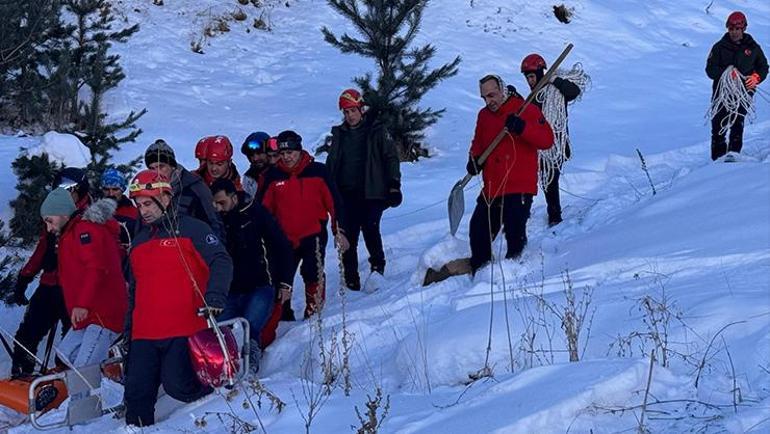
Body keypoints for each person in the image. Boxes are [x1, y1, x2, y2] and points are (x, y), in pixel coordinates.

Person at [123, 170, 232, 427]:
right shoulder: (138, 243)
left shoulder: (193, 229)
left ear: (166, 197)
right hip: (144, 334)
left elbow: (221, 260)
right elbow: (134, 293)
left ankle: (223, 389)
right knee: (136, 395)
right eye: (139, 205)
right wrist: (128, 331)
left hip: (183, 327)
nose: (143, 211)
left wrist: (215, 296)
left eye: (148, 203)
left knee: (178, 385)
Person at [467, 75, 554, 274]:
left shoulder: (525, 109)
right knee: (478, 230)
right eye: (484, 97)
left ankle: (515, 270)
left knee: (514, 231)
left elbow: (547, 140)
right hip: (492, 187)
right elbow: (478, 143)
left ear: (503, 90)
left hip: (519, 185)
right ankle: (481, 272)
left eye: (492, 95)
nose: (489, 101)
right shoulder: (484, 116)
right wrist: (474, 160)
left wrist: (522, 128)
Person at [9, 167, 91, 377]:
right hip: (49, 284)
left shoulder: (88, 220)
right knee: (28, 332)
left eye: (68, 189)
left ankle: (67, 378)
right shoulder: (55, 212)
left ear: (79, 191)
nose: (63, 193)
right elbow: (42, 249)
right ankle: (22, 372)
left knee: (71, 337)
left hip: (74, 290)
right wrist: (24, 278)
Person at [261, 130, 349, 320]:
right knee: (281, 277)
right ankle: (282, 317)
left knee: (312, 273)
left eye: (290, 153)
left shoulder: (318, 171)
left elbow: (334, 203)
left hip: (313, 234)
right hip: (283, 238)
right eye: (283, 154)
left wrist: (339, 231)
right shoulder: (272, 176)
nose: (287, 157)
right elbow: (262, 210)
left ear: (299, 151)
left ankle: (314, 313)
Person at [39, 188, 127, 367]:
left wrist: (82, 304)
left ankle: (102, 388)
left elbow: (96, 268)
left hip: (103, 314)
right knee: (65, 355)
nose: (48, 228)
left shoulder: (84, 231)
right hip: (88, 315)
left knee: (83, 367)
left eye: (50, 221)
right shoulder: (70, 233)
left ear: (63, 213)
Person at [211, 178, 293, 368]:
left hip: (260, 284)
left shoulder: (256, 213)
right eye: (214, 204)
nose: (218, 208)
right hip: (230, 288)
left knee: (252, 327)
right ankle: (224, 367)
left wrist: (285, 282)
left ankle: (250, 363)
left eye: (221, 203)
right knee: (221, 329)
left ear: (233, 197)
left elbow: (282, 247)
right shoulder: (215, 220)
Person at [326, 89, 402, 291]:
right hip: (346, 193)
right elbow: (332, 163)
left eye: (352, 110)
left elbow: (391, 157)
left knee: (370, 228)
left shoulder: (376, 130)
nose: (350, 116)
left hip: (372, 191)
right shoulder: (339, 134)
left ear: (361, 109)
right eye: (346, 112)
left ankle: (378, 268)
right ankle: (351, 279)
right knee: (348, 235)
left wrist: (394, 184)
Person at [521, 53, 581, 226]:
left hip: (556, 145)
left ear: (541, 73)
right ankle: (524, 213)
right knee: (528, 178)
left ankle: (555, 216)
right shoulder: (532, 99)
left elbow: (574, 91)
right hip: (537, 146)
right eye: (527, 78)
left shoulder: (557, 92)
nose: (530, 81)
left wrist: (554, 80)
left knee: (550, 180)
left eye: (532, 77)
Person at [706, 11, 767, 161]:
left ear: (743, 29)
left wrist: (756, 77)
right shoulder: (719, 47)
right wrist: (726, 73)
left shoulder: (753, 48)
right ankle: (718, 159)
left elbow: (763, 66)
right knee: (718, 125)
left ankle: (734, 156)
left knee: (737, 123)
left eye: (737, 29)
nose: (734, 32)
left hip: (744, 92)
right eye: (731, 29)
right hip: (722, 93)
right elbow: (710, 69)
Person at [144, 139, 225, 240]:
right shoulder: (147, 191)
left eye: (161, 166)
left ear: (172, 166)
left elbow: (214, 223)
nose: (157, 172)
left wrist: (215, 251)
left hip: (193, 249)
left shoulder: (195, 186)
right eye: (152, 168)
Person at [100, 167, 138, 249]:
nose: (111, 194)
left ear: (122, 189)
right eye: (106, 189)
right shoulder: (95, 212)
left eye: (115, 189)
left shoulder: (134, 213)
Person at [240, 131, 271, 199]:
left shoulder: (281, 174)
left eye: (259, 153)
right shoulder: (249, 177)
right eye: (251, 155)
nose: (255, 158)